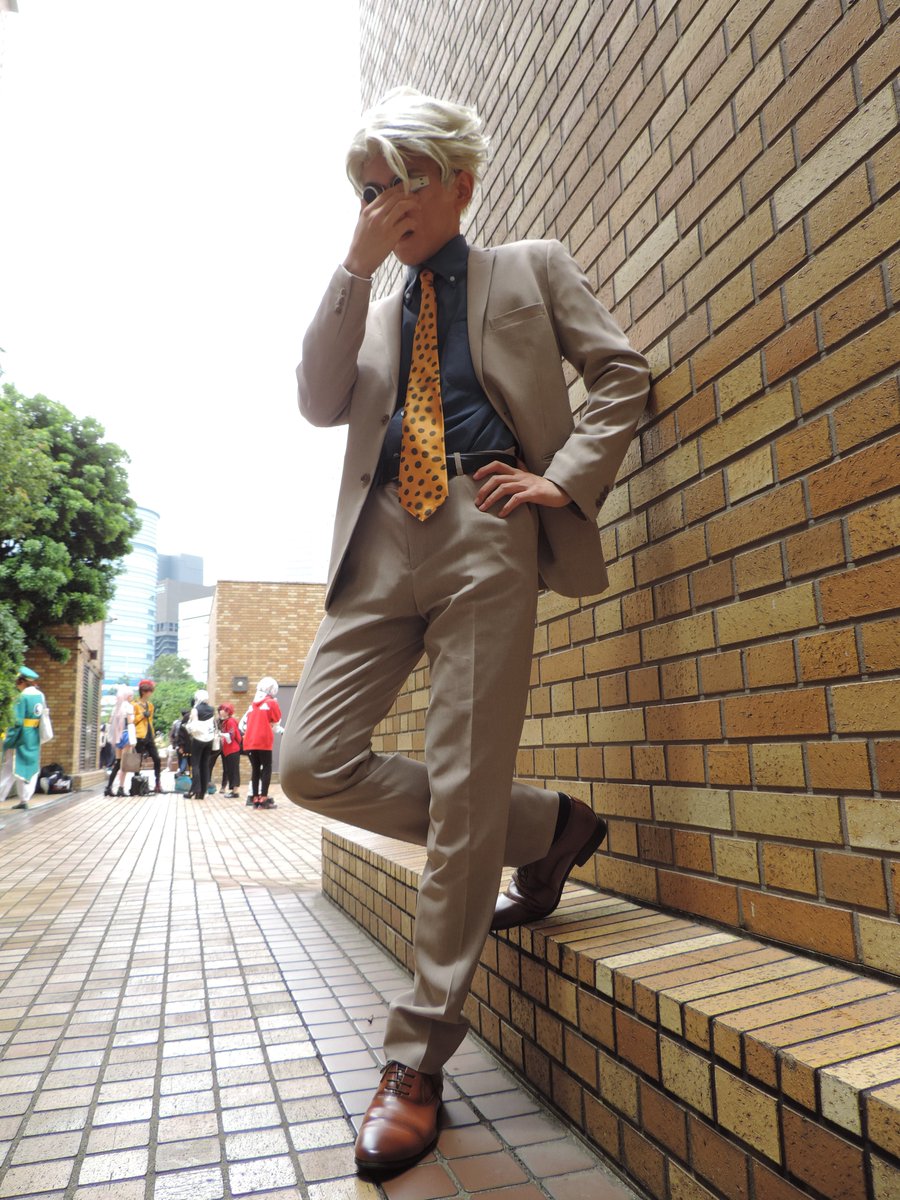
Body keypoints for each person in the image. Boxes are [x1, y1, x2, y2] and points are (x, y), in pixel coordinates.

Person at [279, 87, 650, 1174]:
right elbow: (317, 401)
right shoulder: (370, 305)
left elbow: (620, 372)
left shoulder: (530, 267)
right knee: (308, 763)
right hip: (378, 541)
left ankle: (416, 1060)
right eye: (367, 188)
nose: (381, 203)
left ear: (457, 183)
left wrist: (563, 478)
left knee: (460, 783)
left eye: (398, 182)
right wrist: (352, 267)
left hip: (486, 526)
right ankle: (546, 825)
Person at [0, 667, 48, 810]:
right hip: (34, 735)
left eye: (17, 682)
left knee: (10, 768)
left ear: (21, 681)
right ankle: (24, 800)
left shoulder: (22, 697)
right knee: (29, 766)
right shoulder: (40, 695)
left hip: (21, 736)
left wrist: (8, 740)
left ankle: (1, 795)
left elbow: (17, 722)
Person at [240, 677, 282, 809]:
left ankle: (255, 798)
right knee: (267, 768)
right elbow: (276, 720)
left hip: (249, 741)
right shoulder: (271, 702)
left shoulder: (252, 705)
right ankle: (263, 798)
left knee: (256, 769)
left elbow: (244, 724)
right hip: (263, 741)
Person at [104, 685, 136, 797]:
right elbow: (131, 723)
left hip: (117, 737)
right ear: (127, 696)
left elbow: (110, 723)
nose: (132, 697)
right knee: (125, 764)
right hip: (126, 735)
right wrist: (133, 739)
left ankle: (108, 787)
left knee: (118, 762)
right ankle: (121, 788)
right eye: (131, 695)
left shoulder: (116, 707)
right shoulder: (129, 706)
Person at [133, 679, 164, 794]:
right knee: (137, 760)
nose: (150, 693)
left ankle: (157, 783)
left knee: (157, 758)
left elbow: (150, 720)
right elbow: (132, 721)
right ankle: (136, 784)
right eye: (149, 691)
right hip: (139, 735)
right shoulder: (134, 705)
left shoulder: (150, 705)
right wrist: (142, 715)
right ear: (143, 692)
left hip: (149, 735)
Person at [186, 689, 216, 799]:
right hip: (209, 740)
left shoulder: (195, 710)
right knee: (205, 765)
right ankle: (203, 791)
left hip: (198, 740)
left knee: (195, 765)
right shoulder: (211, 709)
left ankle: (195, 789)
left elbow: (193, 727)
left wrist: (188, 727)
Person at [217, 703, 241, 798]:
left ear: (227, 712)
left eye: (223, 710)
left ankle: (235, 791)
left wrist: (221, 734)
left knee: (234, 770)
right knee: (231, 770)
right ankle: (233, 791)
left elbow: (231, 736)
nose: (221, 711)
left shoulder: (230, 721)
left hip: (232, 749)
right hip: (229, 750)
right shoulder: (226, 721)